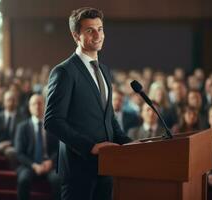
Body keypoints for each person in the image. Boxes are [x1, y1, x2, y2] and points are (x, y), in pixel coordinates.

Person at [44, 7, 132, 200]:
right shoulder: (64, 72)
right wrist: (90, 146)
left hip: (107, 167)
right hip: (78, 169)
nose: (97, 35)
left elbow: (107, 117)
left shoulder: (105, 71)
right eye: (90, 30)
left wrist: (130, 144)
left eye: (100, 29)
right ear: (76, 35)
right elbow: (52, 121)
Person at [15, 94, 60, 200]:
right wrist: (34, 165)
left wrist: (51, 162)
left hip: (49, 164)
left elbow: (58, 149)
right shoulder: (22, 127)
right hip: (29, 164)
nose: (37, 106)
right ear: (29, 107)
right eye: (34, 104)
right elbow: (19, 153)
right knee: (23, 180)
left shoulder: (52, 126)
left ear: (44, 106)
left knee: (57, 180)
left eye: (40, 103)